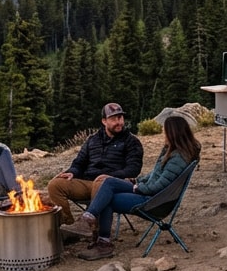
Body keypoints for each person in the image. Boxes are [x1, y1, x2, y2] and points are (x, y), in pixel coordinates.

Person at [76, 112, 201, 260]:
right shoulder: (173, 152)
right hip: (150, 194)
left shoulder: (178, 158)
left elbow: (160, 185)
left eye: (165, 131)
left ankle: (98, 236)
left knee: (108, 192)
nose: (163, 134)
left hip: (153, 201)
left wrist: (138, 188)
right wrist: (136, 181)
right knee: (108, 185)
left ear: (173, 133)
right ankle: (93, 226)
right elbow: (155, 175)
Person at [46, 102, 144, 239]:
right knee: (55, 185)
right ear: (104, 121)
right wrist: (72, 172)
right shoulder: (93, 140)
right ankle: (69, 227)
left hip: (112, 185)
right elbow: (79, 162)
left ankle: (94, 230)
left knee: (103, 182)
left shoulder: (131, 141)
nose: (119, 122)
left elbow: (134, 168)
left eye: (121, 118)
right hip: (88, 182)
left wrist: (110, 176)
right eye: (114, 119)